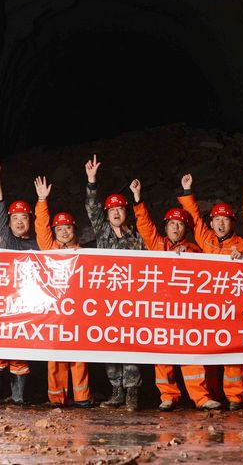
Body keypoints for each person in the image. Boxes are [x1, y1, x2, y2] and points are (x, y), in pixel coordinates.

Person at [130, 178, 221, 411]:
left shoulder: (195, 250)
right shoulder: (158, 245)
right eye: (172, 224)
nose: (176, 228)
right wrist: (138, 199)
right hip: (163, 309)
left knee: (191, 353)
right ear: (166, 226)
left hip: (187, 311)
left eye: (180, 225)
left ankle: (201, 397)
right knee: (163, 354)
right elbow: (145, 226)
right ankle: (168, 396)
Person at [177, 172, 243, 410]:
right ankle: (202, 398)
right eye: (216, 220)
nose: (220, 223)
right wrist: (188, 192)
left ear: (233, 223)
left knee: (232, 351)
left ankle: (234, 397)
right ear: (211, 223)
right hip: (206, 309)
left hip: (232, 309)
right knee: (199, 350)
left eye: (225, 219)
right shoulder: (206, 239)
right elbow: (194, 218)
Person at [84, 155, 145, 411]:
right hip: (107, 299)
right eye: (112, 210)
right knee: (110, 343)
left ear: (126, 212)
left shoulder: (137, 236)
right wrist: (91, 181)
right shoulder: (102, 232)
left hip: (130, 300)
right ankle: (116, 390)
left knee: (129, 344)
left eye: (120, 209)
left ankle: (132, 392)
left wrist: (138, 197)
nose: (116, 213)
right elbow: (92, 208)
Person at [34, 175, 91, 408]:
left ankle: (82, 397)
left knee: (78, 355)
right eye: (59, 228)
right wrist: (41, 200)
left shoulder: (85, 254)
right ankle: (57, 397)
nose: (64, 232)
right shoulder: (49, 248)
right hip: (55, 310)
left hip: (77, 310)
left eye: (67, 228)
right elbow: (40, 226)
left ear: (74, 230)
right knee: (55, 355)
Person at [0, 160, 36, 406]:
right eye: (14, 217)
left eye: (23, 217)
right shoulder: (3, 236)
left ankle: (18, 397)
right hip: (0, 302)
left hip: (25, 305)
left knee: (20, 351)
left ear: (30, 220)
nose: (18, 222)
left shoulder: (37, 245)